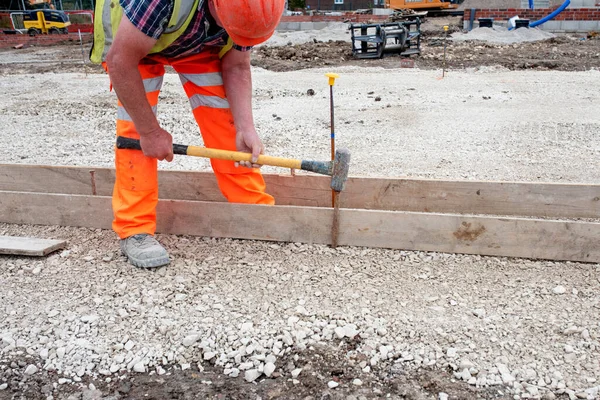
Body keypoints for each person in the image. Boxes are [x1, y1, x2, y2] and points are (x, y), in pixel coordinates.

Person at [90, 0, 284, 268]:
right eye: (233, 29)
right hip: (132, 44)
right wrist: (150, 132)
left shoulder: (252, 9)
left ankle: (252, 207)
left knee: (226, 124)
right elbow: (120, 60)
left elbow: (237, 65)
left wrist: (246, 127)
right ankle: (134, 229)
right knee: (136, 133)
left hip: (195, 41)